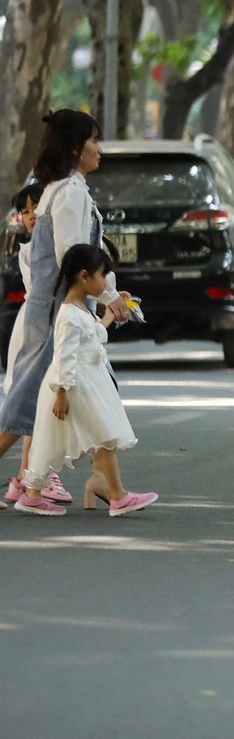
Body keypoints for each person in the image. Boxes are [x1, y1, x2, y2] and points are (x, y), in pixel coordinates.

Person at [0, 111, 132, 513]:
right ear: (75, 148)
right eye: (94, 140)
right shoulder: (70, 192)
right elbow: (73, 259)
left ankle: (105, 482)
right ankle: (99, 485)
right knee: (23, 404)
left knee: (91, 391)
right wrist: (108, 295)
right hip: (58, 311)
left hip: (58, 308)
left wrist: (104, 295)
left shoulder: (63, 188)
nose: (99, 149)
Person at [16, 244, 152, 517]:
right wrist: (62, 393)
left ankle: (32, 494)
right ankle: (118, 496)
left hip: (85, 382)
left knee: (55, 442)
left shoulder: (81, 309)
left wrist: (111, 313)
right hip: (75, 386)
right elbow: (64, 356)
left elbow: (95, 335)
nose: (105, 283)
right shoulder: (69, 314)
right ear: (83, 276)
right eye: (102, 276)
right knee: (106, 434)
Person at [4, 182, 44, 385]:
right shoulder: (26, 250)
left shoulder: (58, 243)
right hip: (31, 315)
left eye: (36, 207)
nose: (32, 215)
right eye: (25, 211)